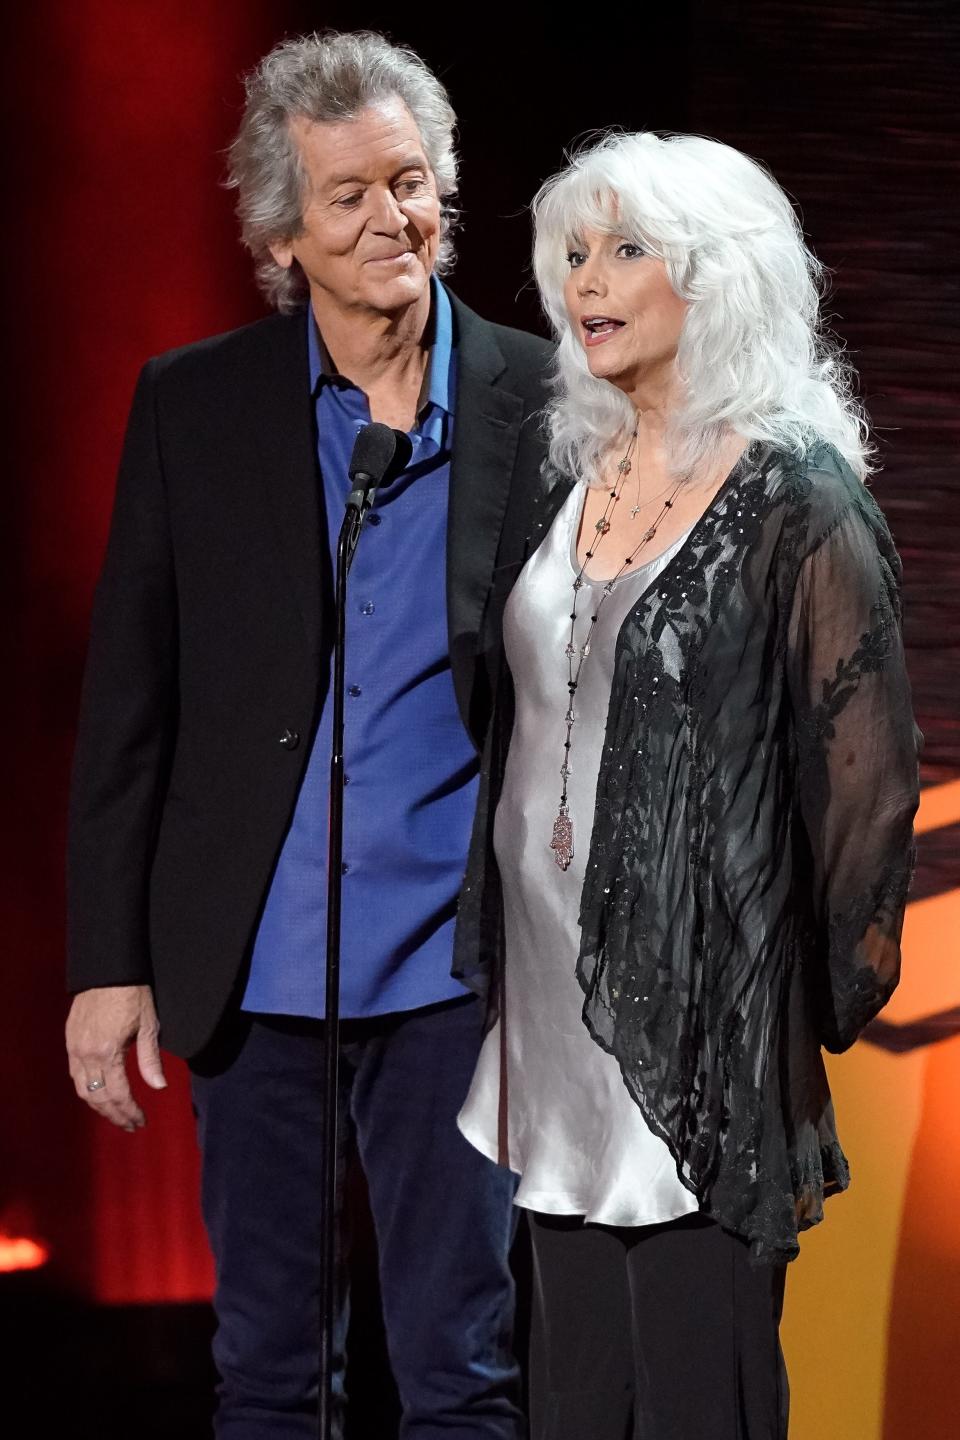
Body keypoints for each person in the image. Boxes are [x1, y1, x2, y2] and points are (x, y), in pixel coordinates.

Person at [64, 30, 553, 1439]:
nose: (392, 219)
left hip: (460, 977)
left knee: (461, 1370)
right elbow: (129, 708)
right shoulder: (193, 406)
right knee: (271, 1375)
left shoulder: (543, 402)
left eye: (411, 183)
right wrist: (108, 964)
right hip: (251, 973)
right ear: (284, 232)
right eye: (349, 196)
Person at [455, 130, 922, 1440]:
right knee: (574, 1392)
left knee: (698, 1391)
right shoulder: (562, 476)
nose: (586, 281)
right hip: (548, 1011)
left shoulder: (798, 497)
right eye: (575, 253)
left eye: (626, 251)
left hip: (702, 1022)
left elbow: (867, 783)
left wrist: (796, 1000)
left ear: (714, 280)